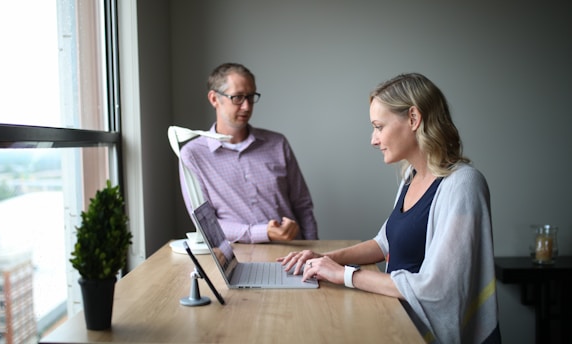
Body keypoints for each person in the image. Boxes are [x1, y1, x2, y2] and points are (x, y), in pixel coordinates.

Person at [278, 73, 500, 343]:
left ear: (414, 119)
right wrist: (326, 259)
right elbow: (384, 243)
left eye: (379, 126)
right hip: (398, 317)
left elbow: (438, 288)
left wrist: (346, 275)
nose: (373, 139)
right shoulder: (411, 177)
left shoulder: (463, 184)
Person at [179, 62, 318, 244]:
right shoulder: (193, 155)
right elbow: (206, 225)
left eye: (250, 97)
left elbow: (302, 205)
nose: (246, 106)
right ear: (214, 99)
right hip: (238, 257)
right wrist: (262, 233)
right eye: (237, 97)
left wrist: (314, 249)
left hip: (292, 252)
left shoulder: (277, 143)